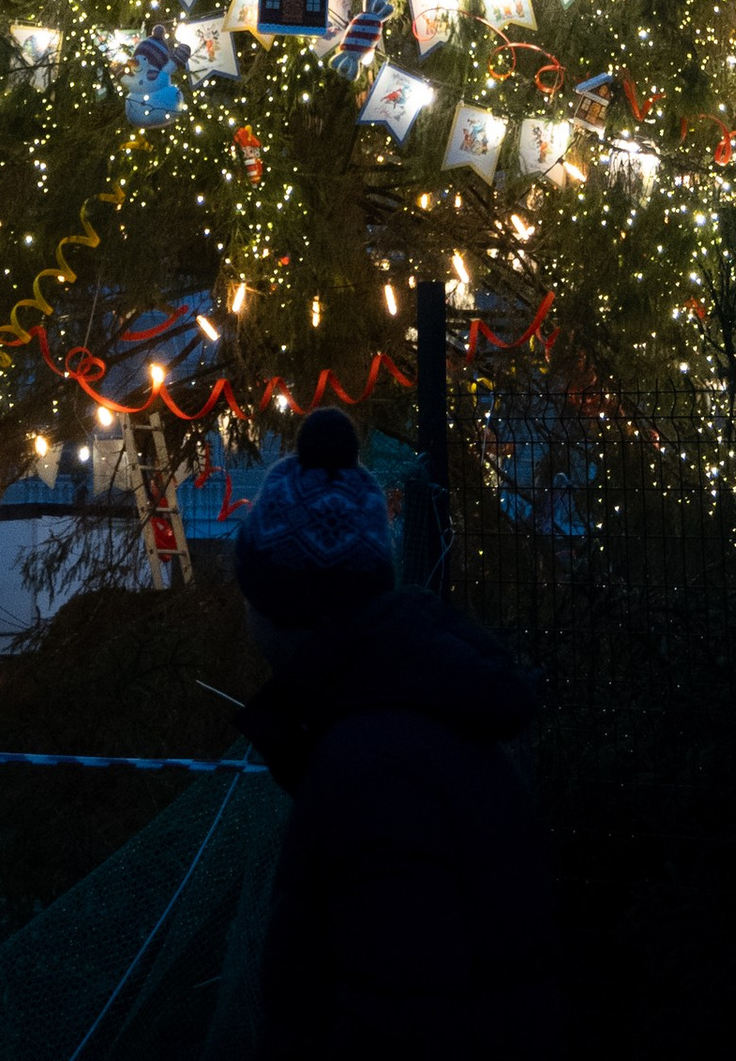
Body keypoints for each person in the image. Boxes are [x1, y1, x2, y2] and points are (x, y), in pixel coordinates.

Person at [235, 410, 559, 1038]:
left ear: (286, 610)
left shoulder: (373, 774)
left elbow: (397, 1017)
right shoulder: (411, 726)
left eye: (250, 591)